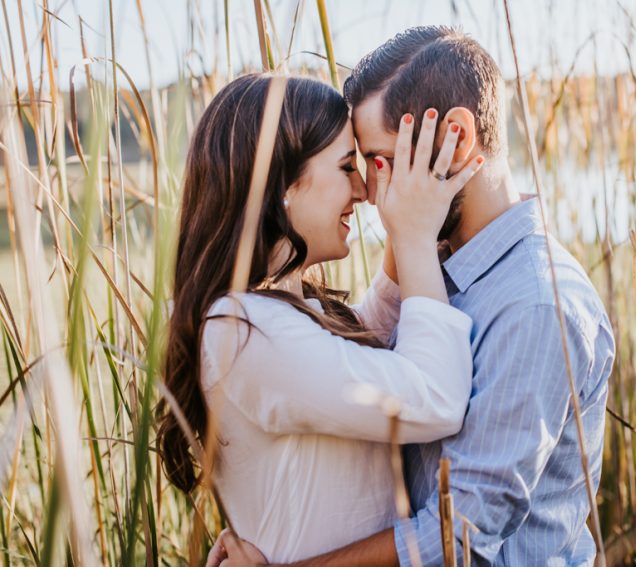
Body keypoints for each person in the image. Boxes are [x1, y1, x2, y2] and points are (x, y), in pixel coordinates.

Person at [210, 26, 615, 567]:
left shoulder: (533, 304)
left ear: (457, 138)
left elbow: (460, 534)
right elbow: (362, 353)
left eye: (380, 161)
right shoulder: (438, 268)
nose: (371, 191)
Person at [155, 73, 485, 563]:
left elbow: (374, 331)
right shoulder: (243, 330)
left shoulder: (277, 312)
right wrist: (415, 238)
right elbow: (434, 397)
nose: (362, 190)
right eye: (347, 166)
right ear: (282, 183)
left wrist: (407, 212)